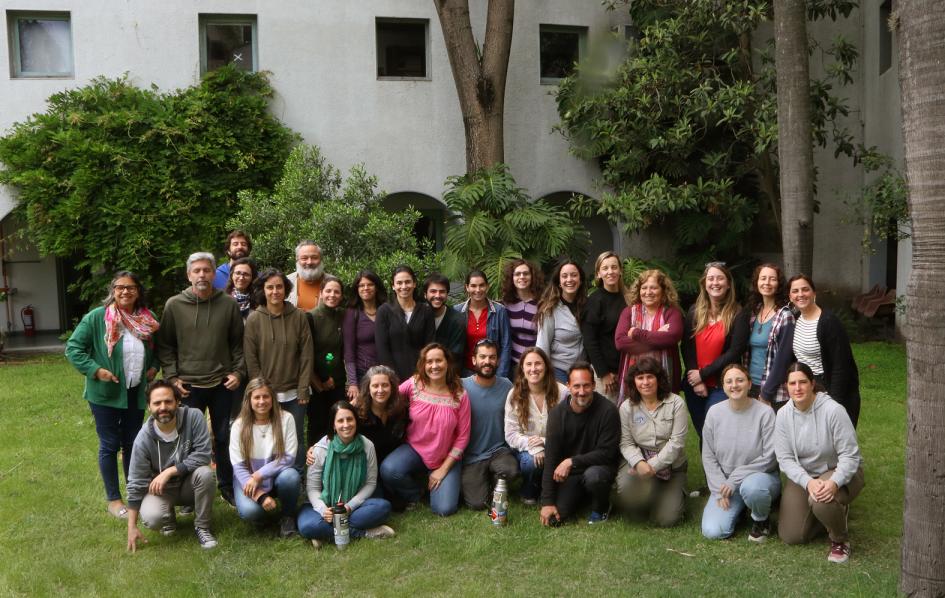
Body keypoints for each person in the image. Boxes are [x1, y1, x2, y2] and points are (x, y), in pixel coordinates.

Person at [65, 271, 160, 519]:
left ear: (138, 291)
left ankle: (134, 493)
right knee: (109, 445)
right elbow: (73, 348)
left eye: (130, 287)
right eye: (120, 287)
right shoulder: (98, 317)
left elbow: (158, 349)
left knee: (132, 444)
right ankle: (114, 500)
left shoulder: (148, 319)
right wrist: (95, 370)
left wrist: (154, 367)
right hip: (105, 394)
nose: (125, 292)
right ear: (113, 290)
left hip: (135, 391)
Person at [156, 252, 244, 505]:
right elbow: (165, 345)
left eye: (207, 270)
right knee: (186, 439)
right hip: (187, 386)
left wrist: (238, 373)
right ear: (189, 275)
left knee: (223, 436)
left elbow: (238, 344)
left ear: (214, 274)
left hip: (221, 384)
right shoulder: (174, 305)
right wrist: (172, 377)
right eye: (197, 271)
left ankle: (226, 485)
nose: (202, 275)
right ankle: (185, 491)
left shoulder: (227, 304)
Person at [775, 363, 864, 563]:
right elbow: (785, 458)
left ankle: (840, 539)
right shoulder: (782, 415)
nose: (797, 388)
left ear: (812, 384)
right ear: (786, 387)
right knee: (792, 536)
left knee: (821, 500)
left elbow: (850, 456)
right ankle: (829, 513)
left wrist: (834, 483)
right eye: (792, 383)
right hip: (806, 476)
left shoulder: (833, 410)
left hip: (839, 470)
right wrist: (808, 482)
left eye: (803, 382)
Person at [125, 380, 217, 551]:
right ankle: (167, 518)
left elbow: (204, 454)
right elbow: (136, 482)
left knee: (206, 474)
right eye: (157, 403)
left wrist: (170, 471)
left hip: (190, 484)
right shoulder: (143, 439)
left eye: (168, 401)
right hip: (162, 490)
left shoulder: (194, 417)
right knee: (152, 518)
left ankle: (202, 527)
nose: (163, 407)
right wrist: (131, 526)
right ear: (149, 407)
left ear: (178, 402)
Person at [380, 343, 470, 516]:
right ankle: (417, 492)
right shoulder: (414, 384)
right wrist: (357, 404)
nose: (434, 366)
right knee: (389, 470)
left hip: (445, 456)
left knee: (444, 509)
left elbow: (463, 437)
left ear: (447, 363)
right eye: (429, 361)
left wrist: (443, 470)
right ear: (423, 364)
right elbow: (387, 396)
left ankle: (438, 484)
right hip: (415, 449)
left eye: (439, 361)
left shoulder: (460, 394)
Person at [297, 401, 395, 548]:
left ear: (356, 421)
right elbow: (312, 488)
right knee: (307, 526)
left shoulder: (367, 446)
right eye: (340, 420)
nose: (346, 424)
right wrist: (324, 510)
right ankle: (364, 533)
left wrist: (349, 507)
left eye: (350, 419)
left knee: (383, 507)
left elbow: (370, 483)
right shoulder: (320, 449)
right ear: (333, 425)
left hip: (353, 507)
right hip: (324, 507)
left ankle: (325, 534)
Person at [243, 267, 313, 472]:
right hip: (267, 393)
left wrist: (303, 387)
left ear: (286, 289)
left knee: (296, 435)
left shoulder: (298, 317)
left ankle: (297, 474)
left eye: (279, 287)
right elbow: (251, 357)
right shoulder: (254, 319)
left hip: (294, 392)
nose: (275, 291)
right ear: (262, 290)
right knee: (270, 436)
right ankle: (270, 476)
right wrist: (260, 391)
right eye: (270, 287)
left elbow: (306, 354)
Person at [701, 364, 780, 541]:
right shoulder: (714, 413)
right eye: (729, 381)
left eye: (740, 380)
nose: (734, 385)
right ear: (723, 386)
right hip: (726, 485)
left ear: (750, 384)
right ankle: (742, 508)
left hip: (760, 478)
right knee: (713, 531)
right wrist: (719, 488)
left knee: (752, 488)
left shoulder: (765, 413)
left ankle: (762, 519)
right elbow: (708, 455)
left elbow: (770, 457)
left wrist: (735, 479)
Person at [539, 363, 620, 526]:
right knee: (557, 519)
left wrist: (571, 461)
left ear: (594, 385)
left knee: (594, 478)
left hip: (599, 467)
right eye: (576, 386)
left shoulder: (608, 411)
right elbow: (551, 459)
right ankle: (583, 497)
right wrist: (547, 502)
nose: (581, 392)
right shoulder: (557, 414)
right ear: (568, 386)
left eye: (586, 386)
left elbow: (607, 453)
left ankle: (601, 507)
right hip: (573, 474)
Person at [614, 357, 689, 527]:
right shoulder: (627, 407)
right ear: (634, 381)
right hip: (639, 463)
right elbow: (625, 442)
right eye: (640, 378)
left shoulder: (676, 403)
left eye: (650, 377)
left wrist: (652, 466)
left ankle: (673, 492)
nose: (645, 382)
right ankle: (647, 494)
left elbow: (676, 442)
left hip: (672, 466)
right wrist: (639, 463)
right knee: (633, 505)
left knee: (667, 519)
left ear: (659, 379)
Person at [681, 262, 749, 443]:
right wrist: (695, 379)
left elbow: (735, 352)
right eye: (711, 278)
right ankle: (711, 472)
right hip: (694, 384)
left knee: (717, 434)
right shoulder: (694, 311)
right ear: (704, 283)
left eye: (720, 278)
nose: (715, 282)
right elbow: (687, 347)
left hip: (722, 384)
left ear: (728, 284)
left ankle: (727, 470)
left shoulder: (738, 314)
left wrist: (702, 375)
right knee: (703, 433)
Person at [784, 274, 861, 427]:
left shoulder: (828, 321)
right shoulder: (796, 319)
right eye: (795, 291)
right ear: (790, 296)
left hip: (831, 391)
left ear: (814, 293)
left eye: (805, 289)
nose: (800, 294)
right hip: (807, 391)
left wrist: (834, 405)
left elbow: (841, 366)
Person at [229, 378, 300, 537]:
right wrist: (260, 496)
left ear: (273, 398)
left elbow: (288, 457)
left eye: (266, 396)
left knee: (291, 476)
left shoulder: (286, 419)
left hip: (276, 477)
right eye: (257, 397)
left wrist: (259, 475)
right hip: (246, 480)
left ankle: (288, 515)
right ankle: (262, 514)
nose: (262, 401)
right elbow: (238, 467)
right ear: (249, 400)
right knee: (250, 511)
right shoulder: (238, 426)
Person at [504, 347, 567, 504]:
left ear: (546, 366)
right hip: (526, 450)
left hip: (557, 446)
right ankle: (529, 489)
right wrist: (533, 446)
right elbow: (511, 434)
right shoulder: (514, 395)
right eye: (529, 364)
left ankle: (549, 488)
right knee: (531, 462)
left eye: (538, 364)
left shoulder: (562, 392)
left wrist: (544, 442)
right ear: (522, 369)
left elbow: (568, 429)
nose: (533, 369)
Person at [461, 339, 518, 509]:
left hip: (498, 451)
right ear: (474, 360)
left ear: (498, 360)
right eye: (482, 357)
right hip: (472, 455)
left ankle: (496, 482)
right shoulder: (461, 386)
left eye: (492, 357)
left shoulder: (507, 385)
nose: (487, 361)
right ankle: (484, 483)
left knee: (510, 470)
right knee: (477, 503)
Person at [614, 268, 684, 401]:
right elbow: (620, 342)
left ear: (663, 291)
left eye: (654, 288)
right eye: (644, 288)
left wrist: (635, 332)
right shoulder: (628, 312)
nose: (648, 292)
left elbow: (672, 337)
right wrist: (658, 336)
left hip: (664, 374)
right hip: (634, 374)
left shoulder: (672, 313)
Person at [581, 251, 629, 404]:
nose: (610, 272)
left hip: (628, 368)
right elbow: (590, 341)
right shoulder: (595, 301)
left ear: (620, 270)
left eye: (614, 267)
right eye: (605, 268)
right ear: (598, 274)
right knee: (607, 418)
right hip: (606, 374)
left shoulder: (628, 298)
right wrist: (604, 373)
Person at [745, 263, 794, 408]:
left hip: (773, 391)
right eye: (763, 278)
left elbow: (783, 359)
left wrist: (766, 393)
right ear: (756, 283)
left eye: (772, 279)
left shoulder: (786, 316)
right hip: (750, 386)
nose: (767, 283)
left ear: (779, 284)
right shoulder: (754, 313)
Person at [375, 265, 435, 382]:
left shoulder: (426, 310)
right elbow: (382, 348)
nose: (404, 286)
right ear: (393, 286)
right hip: (393, 377)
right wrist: (393, 377)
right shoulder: (384, 311)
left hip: (421, 375)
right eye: (399, 283)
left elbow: (430, 345)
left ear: (414, 284)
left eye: (408, 282)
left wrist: (421, 373)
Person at [308, 275, 347, 445]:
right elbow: (309, 351)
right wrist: (323, 378)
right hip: (318, 383)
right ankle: (315, 463)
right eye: (328, 291)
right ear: (321, 293)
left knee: (338, 423)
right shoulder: (311, 317)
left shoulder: (342, 315)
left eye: (336, 292)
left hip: (338, 381)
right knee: (318, 425)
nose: (332, 295)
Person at [536, 259, 588, 383]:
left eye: (574, 275)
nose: (569, 279)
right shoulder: (550, 309)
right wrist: (545, 376)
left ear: (580, 280)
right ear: (559, 282)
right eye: (564, 276)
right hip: (558, 371)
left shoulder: (588, 305)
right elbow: (543, 345)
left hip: (582, 371)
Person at [454, 270, 512, 378]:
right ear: (467, 287)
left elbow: (506, 345)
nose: (478, 290)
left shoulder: (499, 311)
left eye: (481, 285)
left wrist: (501, 376)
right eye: (473, 286)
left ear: (487, 286)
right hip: (465, 373)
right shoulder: (457, 311)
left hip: (492, 372)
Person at [343, 270, 386, 403]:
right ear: (357, 289)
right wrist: (353, 383)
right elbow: (349, 350)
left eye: (370, 284)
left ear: (377, 287)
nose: (366, 288)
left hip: (385, 373)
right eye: (361, 285)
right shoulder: (352, 313)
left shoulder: (386, 310)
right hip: (363, 374)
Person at [501, 259, 544, 369]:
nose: (522, 277)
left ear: (532, 276)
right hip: (512, 364)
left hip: (535, 365)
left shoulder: (543, 304)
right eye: (517, 274)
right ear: (512, 278)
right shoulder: (506, 303)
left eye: (526, 273)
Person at [424, 273, 466, 367]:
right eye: (433, 291)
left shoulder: (457, 320)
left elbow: (455, 355)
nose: (437, 295)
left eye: (442, 292)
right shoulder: (418, 317)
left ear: (447, 294)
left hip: (447, 373)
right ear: (425, 294)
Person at [287, 240, 325, 311]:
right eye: (304, 258)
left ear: (321, 259)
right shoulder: (286, 281)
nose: (309, 262)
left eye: (314, 258)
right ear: (297, 259)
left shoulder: (333, 282)